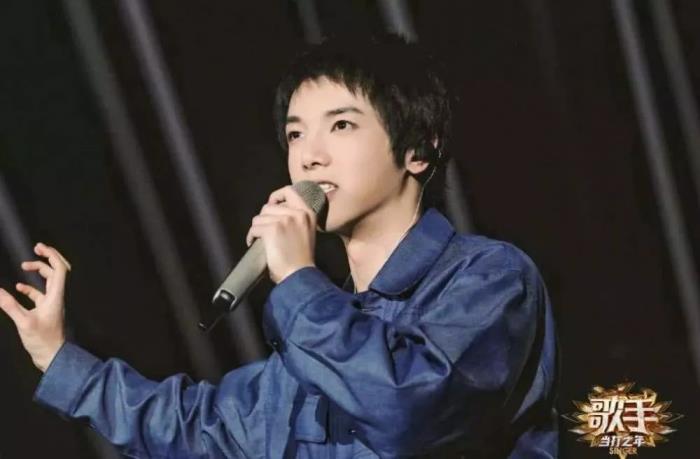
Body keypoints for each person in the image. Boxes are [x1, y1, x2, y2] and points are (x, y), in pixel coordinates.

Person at [0, 34, 558, 458]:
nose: (309, 156)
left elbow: (409, 408)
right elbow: (201, 428)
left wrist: (296, 280)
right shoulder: (313, 335)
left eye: (341, 126)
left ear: (418, 149)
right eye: (295, 134)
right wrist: (58, 357)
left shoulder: (490, 278)